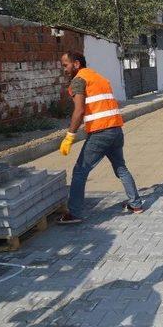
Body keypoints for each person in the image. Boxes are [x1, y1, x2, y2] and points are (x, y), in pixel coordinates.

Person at [57, 51, 143, 224]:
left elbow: (79, 110)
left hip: (100, 132)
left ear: (76, 64)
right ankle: (135, 204)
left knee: (80, 171)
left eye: (65, 65)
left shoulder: (79, 80)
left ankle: (74, 213)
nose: (64, 69)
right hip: (116, 129)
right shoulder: (99, 77)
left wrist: (69, 136)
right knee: (121, 168)